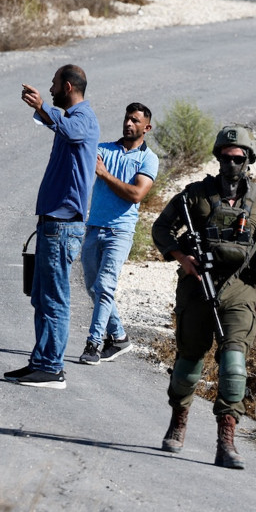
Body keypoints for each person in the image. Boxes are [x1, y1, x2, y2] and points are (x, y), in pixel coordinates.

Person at [151, 124, 256, 469]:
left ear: (248, 160)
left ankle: (226, 441)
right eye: (225, 157)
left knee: (234, 364)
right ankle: (178, 421)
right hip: (197, 285)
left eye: (238, 158)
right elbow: (161, 228)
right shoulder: (195, 195)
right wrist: (182, 257)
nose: (231, 164)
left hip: (240, 287)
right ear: (218, 157)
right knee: (189, 362)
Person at [4, 64, 100, 389]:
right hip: (52, 225)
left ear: (68, 87)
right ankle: (40, 362)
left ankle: (52, 367)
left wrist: (43, 106)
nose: (51, 88)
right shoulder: (72, 119)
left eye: (54, 84)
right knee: (41, 298)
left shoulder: (84, 118)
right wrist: (42, 109)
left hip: (62, 227)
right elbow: (59, 127)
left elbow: (71, 131)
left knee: (55, 299)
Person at [79, 102, 159, 366]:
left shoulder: (148, 159)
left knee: (105, 286)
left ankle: (93, 344)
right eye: (127, 118)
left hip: (120, 232)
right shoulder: (104, 149)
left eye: (135, 120)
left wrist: (104, 174)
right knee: (93, 288)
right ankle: (120, 337)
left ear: (146, 127)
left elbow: (136, 194)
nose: (128, 123)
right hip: (94, 228)